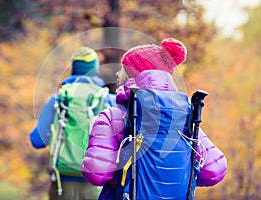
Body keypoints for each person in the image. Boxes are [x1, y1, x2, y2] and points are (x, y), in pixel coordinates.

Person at [81, 38, 227, 199]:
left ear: (131, 75)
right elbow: (215, 170)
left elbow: (97, 173)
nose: (117, 73)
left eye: (123, 69)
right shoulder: (183, 117)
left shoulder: (114, 116)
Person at [30, 46, 116, 200]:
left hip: (62, 184)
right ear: (95, 70)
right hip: (97, 184)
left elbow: (36, 140)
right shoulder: (109, 100)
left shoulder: (58, 100)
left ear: (73, 69)